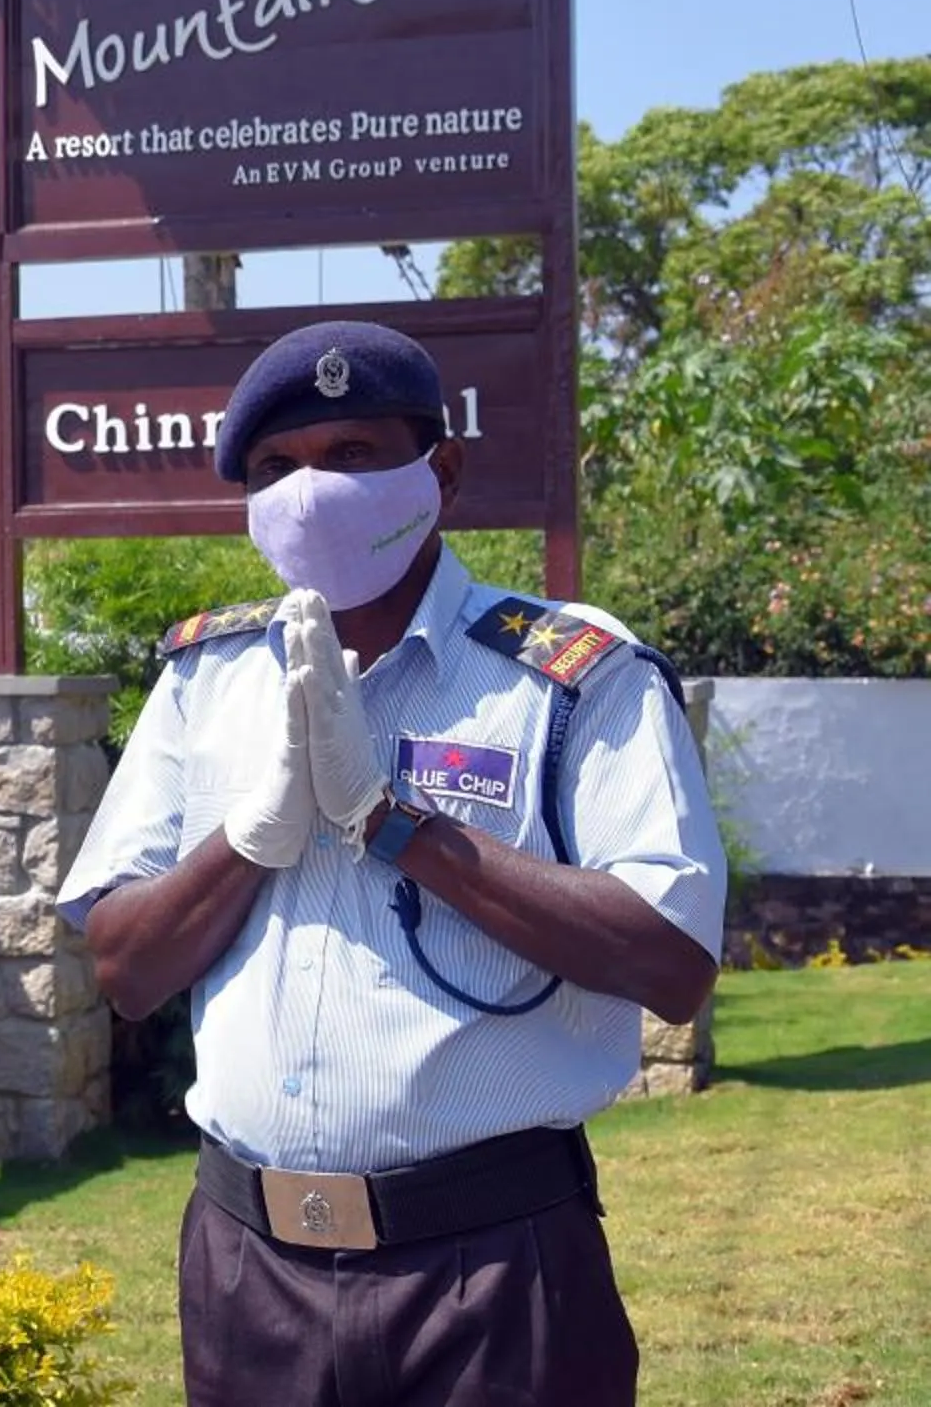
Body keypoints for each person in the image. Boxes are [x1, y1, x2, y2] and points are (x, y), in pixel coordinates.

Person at [57, 320, 725, 1407]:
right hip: (249, 1267)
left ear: (442, 470)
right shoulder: (209, 678)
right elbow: (126, 967)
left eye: (353, 454)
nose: (310, 490)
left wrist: (391, 820)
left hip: (490, 1264)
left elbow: (671, 959)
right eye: (275, 467)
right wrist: (249, 838)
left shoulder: (569, 675)